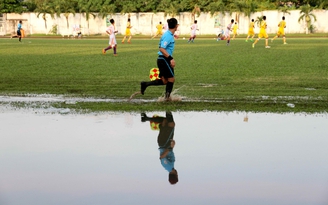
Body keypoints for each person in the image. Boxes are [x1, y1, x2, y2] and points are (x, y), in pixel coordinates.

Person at [140, 18, 179, 101]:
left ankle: (145, 84)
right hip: (164, 59)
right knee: (171, 79)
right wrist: (170, 58)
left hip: (162, 59)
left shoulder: (167, 34)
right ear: (176, 26)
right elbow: (161, 48)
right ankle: (167, 98)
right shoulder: (168, 36)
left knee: (165, 81)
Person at [141, 111, 178, 185]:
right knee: (165, 121)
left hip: (164, 143)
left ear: (176, 175)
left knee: (171, 125)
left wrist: (170, 147)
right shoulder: (169, 167)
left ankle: (168, 107)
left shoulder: (169, 167)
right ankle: (146, 118)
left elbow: (162, 157)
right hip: (163, 143)